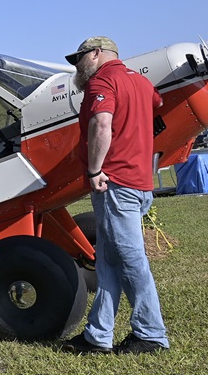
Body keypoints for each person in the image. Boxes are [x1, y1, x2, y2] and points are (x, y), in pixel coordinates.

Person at [61, 37, 169, 355]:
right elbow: (156, 110)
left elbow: (102, 123)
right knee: (107, 262)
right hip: (140, 183)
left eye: (79, 58)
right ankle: (98, 335)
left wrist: (94, 170)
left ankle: (151, 334)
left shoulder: (102, 82)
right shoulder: (140, 82)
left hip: (115, 185)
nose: (77, 66)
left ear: (96, 55)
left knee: (131, 261)